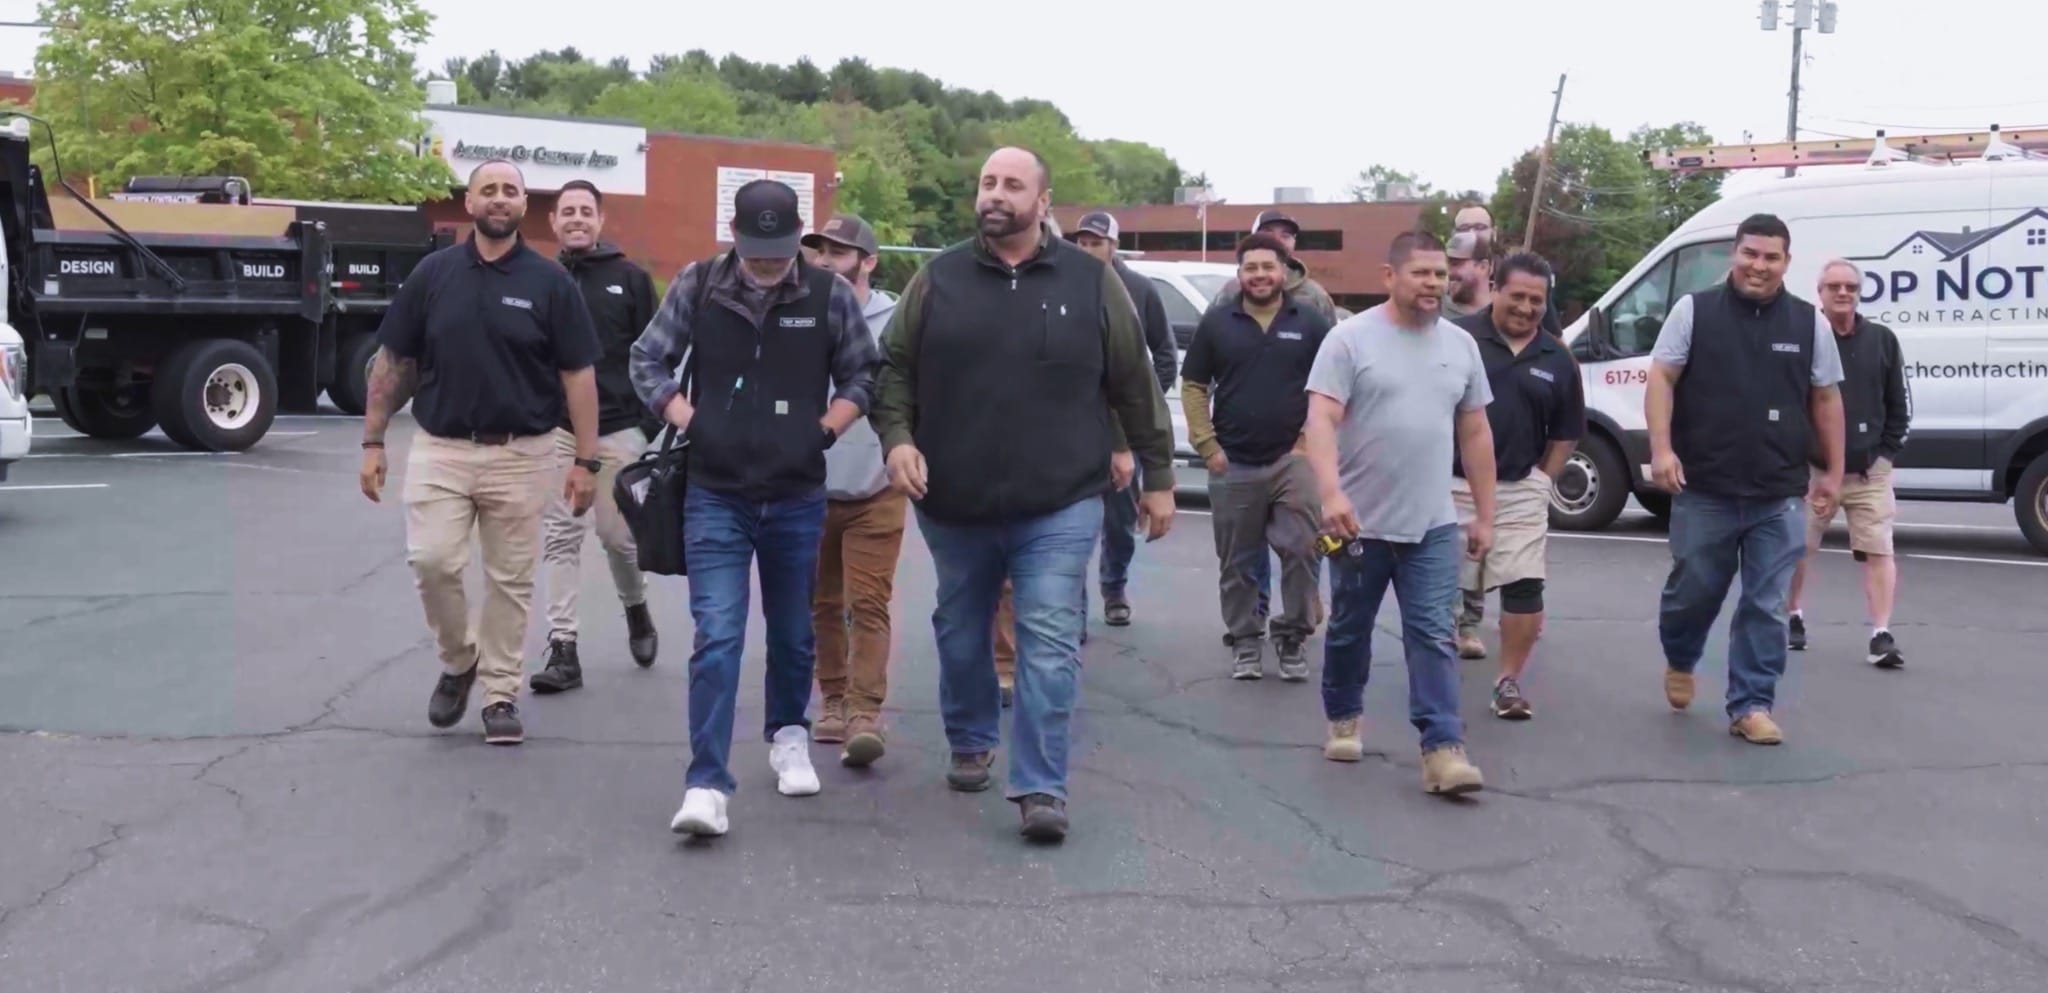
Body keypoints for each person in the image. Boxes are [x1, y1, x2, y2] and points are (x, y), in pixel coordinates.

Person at [870, 146, 1177, 843]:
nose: (995, 194)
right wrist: (898, 439)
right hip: (955, 498)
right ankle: (971, 735)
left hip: (1061, 498)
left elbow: (1133, 381)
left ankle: (1041, 785)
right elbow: (893, 368)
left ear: (1043, 202)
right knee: (960, 628)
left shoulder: (1091, 281)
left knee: (1048, 636)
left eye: (1012, 184)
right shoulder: (938, 277)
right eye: (987, 182)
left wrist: (1158, 476)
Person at [629, 179, 879, 836]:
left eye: (779, 251)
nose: (767, 265)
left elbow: (864, 372)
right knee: (717, 634)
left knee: (793, 628)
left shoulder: (828, 294)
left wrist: (826, 429)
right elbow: (647, 358)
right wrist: (689, 418)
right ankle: (706, 784)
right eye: (756, 252)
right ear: (735, 236)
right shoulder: (699, 284)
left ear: (798, 238)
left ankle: (789, 733)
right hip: (715, 490)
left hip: (797, 491)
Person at [357, 159, 602, 746]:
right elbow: (394, 362)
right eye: (487, 189)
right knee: (432, 561)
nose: (499, 198)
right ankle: (459, 659)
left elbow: (579, 375)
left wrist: (586, 460)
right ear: (468, 203)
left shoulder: (551, 283)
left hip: (523, 453)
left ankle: (499, 694)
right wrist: (373, 440)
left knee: (510, 581)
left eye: (510, 190)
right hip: (440, 448)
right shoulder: (434, 274)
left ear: (524, 205)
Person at [1303, 229, 1494, 796]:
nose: (1434, 283)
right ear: (1390, 277)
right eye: (1422, 273)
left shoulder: (1461, 346)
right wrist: (1331, 494)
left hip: (1432, 522)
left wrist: (1485, 514)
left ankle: (1443, 749)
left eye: (1441, 274)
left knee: (1433, 633)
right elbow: (1320, 420)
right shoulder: (1349, 340)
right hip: (1357, 524)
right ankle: (1344, 716)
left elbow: (1476, 432)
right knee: (1349, 628)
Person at [1646, 213, 1845, 746]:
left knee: (1766, 603)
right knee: (1693, 593)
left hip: (1778, 494)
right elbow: (1661, 376)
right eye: (1750, 253)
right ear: (1734, 253)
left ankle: (1752, 704)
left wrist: (1833, 472)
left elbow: (1827, 398)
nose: (1759, 265)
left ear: (1786, 262)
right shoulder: (1694, 311)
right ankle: (1681, 656)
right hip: (1704, 488)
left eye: (1771, 257)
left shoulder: (1809, 323)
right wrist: (1661, 449)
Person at [529, 179, 661, 695]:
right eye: (568, 211)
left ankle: (636, 607)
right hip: (559, 432)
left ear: (600, 219)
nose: (577, 219)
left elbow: (657, 355)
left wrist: (647, 426)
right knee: (560, 534)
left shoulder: (630, 279)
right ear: (554, 222)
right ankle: (564, 648)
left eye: (586, 211)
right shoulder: (541, 279)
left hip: (619, 428)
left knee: (617, 537)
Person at [1179, 232, 1331, 681]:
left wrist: (1309, 441)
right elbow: (1194, 386)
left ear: (1284, 271)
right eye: (1251, 268)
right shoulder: (1218, 322)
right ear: (1240, 273)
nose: (1260, 275)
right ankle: (1245, 639)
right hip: (1233, 462)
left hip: (1293, 460)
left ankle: (1292, 635)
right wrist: (1208, 446)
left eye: (1268, 267)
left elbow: (1329, 386)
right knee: (1238, 561)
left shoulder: (1309, 321)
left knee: (1303, 549)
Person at [1449, 253, 1584, 719]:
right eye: (1518, 296)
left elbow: (1567, 431)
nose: (1527, 308)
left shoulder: (1557, 358)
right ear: (1495, 290)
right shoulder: (1457, 339)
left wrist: (1543, 479)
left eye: (1537, 300)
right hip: (1450, 486)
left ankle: (1507, 682)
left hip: (1520, 487)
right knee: (1433, 586)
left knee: (1526, 586)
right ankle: (1431, 672)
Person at [801, 214, 906, 766]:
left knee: (868, 603)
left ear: (869, 261)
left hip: (876, 487)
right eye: (818, 252)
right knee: (822, 603)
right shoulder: (798, 312)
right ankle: (834, 700)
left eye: (838, 253)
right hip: (809, 486)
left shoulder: (897, 321)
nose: (825, 262)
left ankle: (866, 713)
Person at [1788, 259, 1910, 668]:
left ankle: (1881, 635)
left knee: (1879, 550)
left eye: (1851, 287)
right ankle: (1793, 617)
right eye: (1834, 286)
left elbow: (1898, 404)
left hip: (1868, 471)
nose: (1843, 293)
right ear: (1819, 293)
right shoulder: (1805, 338)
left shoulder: (1882, 340)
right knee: (1797, 548)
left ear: (1859, 293)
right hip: (1814, 471)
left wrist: (1885, 454)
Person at [1069, 210, 1179, 626]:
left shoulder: (1139, 290)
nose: (1087, 250)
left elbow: (1164, 354)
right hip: (1076, 429)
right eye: (1081, 242)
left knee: (1120, 521)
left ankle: (1114, 587)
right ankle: (1074, 607)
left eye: (1095, 243)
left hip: (1123, 432)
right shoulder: (1062, 283)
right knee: (1069, 524)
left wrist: (1140, 406)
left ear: (1114, 246)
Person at [1440, 229, 1494, 322]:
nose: (1448, 272)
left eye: (1455, 264)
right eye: (1446, 264)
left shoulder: (1501, 317)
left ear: (1483, 267)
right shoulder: (1434, 315)